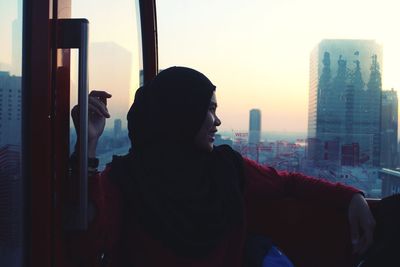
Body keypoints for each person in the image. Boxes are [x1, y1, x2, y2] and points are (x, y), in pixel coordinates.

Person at [69, 67, 375, 267]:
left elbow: (288, 183)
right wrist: (88, 145)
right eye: (210, 109)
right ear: (183, 112)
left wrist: (350, 196)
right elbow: (86, 241)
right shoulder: (125, 179)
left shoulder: (226, 168)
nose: (217, 121)